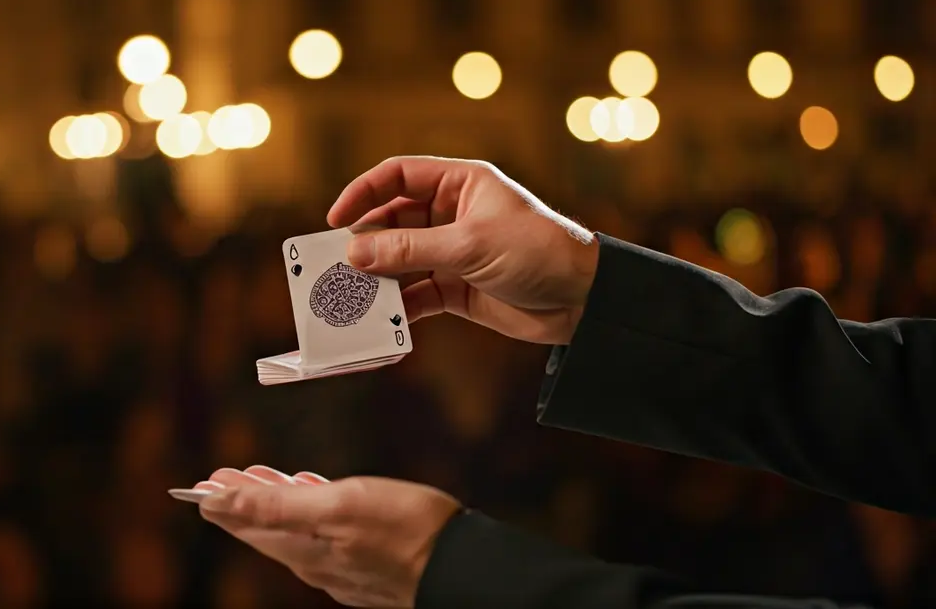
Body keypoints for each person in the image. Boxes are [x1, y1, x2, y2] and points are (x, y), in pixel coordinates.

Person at [190, 156, 934, 608]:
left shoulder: (543, 418)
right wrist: (589, 287)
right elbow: (901, 394)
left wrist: (451, 574)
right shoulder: (385, 402)